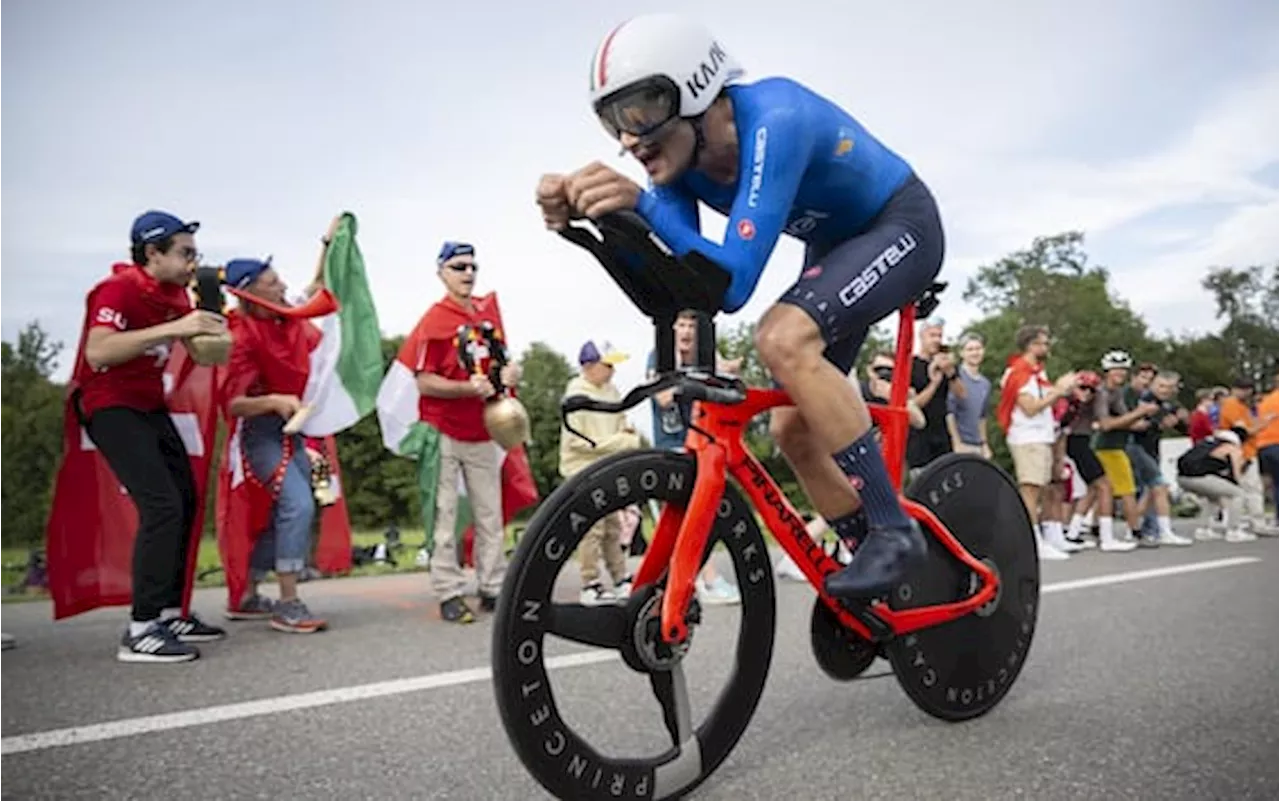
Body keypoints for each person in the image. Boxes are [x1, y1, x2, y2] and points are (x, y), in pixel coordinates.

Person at [536, 13, 946, 599]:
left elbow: (733, 285)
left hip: (901, 222)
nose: (628, 140)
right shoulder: (678, 166)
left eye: (640, 111)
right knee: (792, 429)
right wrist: (593, 221)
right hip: (836, 245)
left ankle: (892, 530)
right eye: (612, 122)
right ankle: (874, 571)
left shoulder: (776, 119)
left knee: (781, 338)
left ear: (695, 88)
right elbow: (687, 284)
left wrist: (639, 207)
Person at [73, 210, 229, 662]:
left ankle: (168, 610)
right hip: (109, 404)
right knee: (161, 503)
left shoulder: (178, 293)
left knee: (186, 498)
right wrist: (177, 328)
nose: (191, 262)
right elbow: (99, 349)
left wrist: (213, 328)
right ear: (152, 253)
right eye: (184, 253)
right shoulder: (118, 289)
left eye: (194, 254)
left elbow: (204, 355)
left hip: (149, 405)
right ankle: (140, 630)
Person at [218, 253, 332, 634]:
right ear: (250, 294)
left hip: (292, 429)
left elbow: (314, 291)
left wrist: (328, 245)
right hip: (259, 435)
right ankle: (287, 603)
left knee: (282, 510)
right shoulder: (240, 336)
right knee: (297, 505)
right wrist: (272, 401)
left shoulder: (286, 318)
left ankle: (247, 595)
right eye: (273, 282)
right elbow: (231, 403)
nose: (282, 286)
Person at [411, 242, 521, 623]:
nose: (468, 273)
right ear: (442, 272)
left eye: (473, 266)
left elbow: (502, 363)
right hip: (443, 429)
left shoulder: (486, 316)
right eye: (459, 267)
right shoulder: (434, 320)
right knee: (445, 514)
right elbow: (423, 380)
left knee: (490, 514)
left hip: (484, 429)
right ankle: (448, 591)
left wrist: (510, 374)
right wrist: (462, 390)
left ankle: (492, 586)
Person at [646, 310, 742, 605]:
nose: (687, 331)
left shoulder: (705, 355)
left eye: (692, 325)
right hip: (672, 444)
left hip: (700, 442)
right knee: (688, 512)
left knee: (698, 512)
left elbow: (725, 376)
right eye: (682, 325)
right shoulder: (659, 356)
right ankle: (704, 578)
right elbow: (661, 394)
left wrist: (727, 372)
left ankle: (681, 579)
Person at [560, 340, 643, 605]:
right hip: (581, 469)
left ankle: (620, 578)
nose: (612, 371)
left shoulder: (612, 391)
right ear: (589, 366)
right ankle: (589, 583)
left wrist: (625, 435)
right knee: (591, 528)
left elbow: (621, 424)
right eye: (607, 365)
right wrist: (620, 441)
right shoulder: (576, 394)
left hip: (606, 466)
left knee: (613, 527)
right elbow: (578, 441)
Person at [1176, 430, 1255, 542]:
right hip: (1198, 478)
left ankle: (1204, 529)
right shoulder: (1231, 448)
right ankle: (1234, 530)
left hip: (1182, 478)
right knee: (1238, 494)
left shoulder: (1205, 445)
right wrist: (1240, 482)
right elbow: (1236, 475)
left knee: (1212, 497)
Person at [945, 332, 991, 458]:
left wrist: (984, 443)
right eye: (970, 349)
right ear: (962, 353)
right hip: (961, 445)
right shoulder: (956, 378)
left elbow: (982, 417)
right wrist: (957, 442)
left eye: (978, 349)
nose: (975, 353)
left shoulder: (985, 383)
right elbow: (950, 413)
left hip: (977, 445)